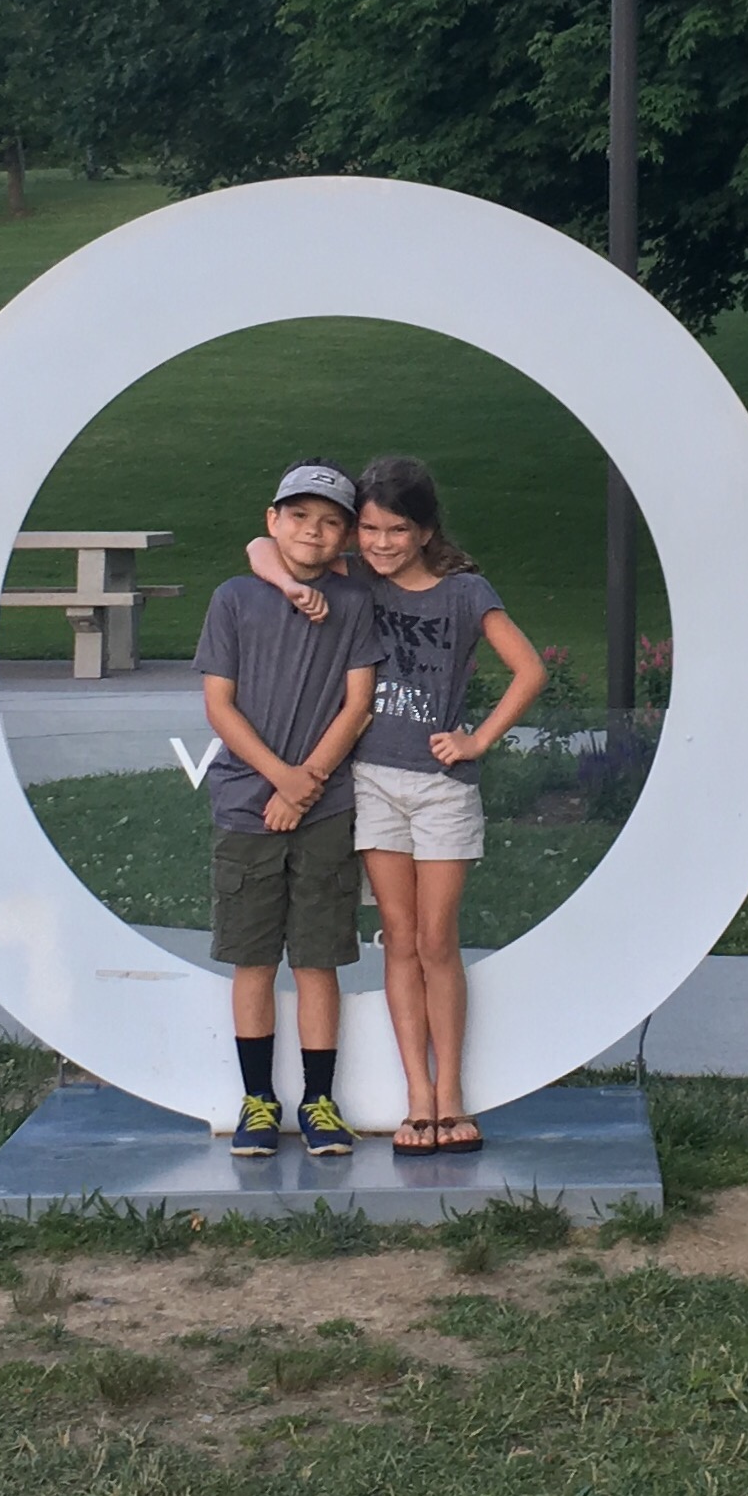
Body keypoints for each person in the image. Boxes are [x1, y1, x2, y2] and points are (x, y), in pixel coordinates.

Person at [247, 453, 546, 1151]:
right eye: (371, 529)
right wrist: (286, 586)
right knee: (399, 938)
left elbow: (528, 668)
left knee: (437, 940)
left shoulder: (465, 592)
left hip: (441, 787)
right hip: (374, 780)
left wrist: (478, 739)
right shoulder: (356, 578)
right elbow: (262, 546)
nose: (381, 543)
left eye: (398, 530)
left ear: (425, 530)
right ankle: (417, 1095)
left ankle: (451, 1093)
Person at [195, 461, 378, 1160]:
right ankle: (257, 1100)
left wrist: (309, 784)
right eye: (298, 515)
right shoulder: (235, 598)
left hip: (325, 809)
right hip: (246, 806)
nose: (313, 530)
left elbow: (357, 704)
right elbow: (219, 704)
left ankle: (319, 1101)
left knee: (316, 961)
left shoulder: (354, 602)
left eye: (331, 521)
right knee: (251, 961)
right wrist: (280, 779)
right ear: (272, 521)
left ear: (347, 537)